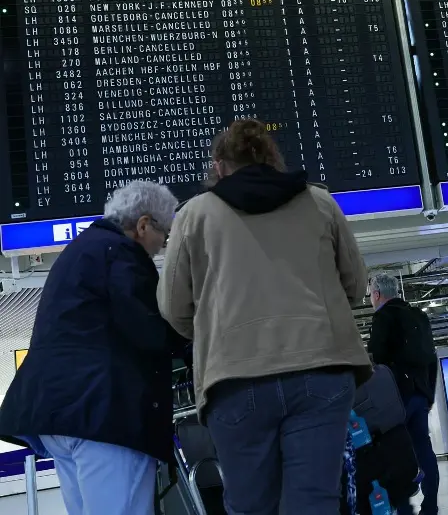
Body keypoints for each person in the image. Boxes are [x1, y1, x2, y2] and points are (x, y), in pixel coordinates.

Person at [159, 119, 371, 515]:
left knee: (251, 506)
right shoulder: (319, 202)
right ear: (272, 157)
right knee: (314, 504)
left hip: (235, 379)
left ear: (219, 166)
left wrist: (213, 332)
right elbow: (356, 284)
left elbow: (173, 306)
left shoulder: (194, 215)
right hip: (321, 367)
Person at [0, 181, 184, 515]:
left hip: (58, 416)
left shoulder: (80, 251)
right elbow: (150, 331)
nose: (162, 246)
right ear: (143, 225)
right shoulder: (121, 254)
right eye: (164, 235)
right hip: (103, 415)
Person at [368, 273, 440, 515]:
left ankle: (403, 508)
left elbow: (376, 360)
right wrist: (428, 394)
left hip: (395, 398)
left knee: (396, 454)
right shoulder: (419, 316)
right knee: (423, 448)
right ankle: (430, 506)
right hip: (420, 395)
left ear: (377, 294)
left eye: (370, 295)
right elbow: (432, 356)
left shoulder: (383, 317)